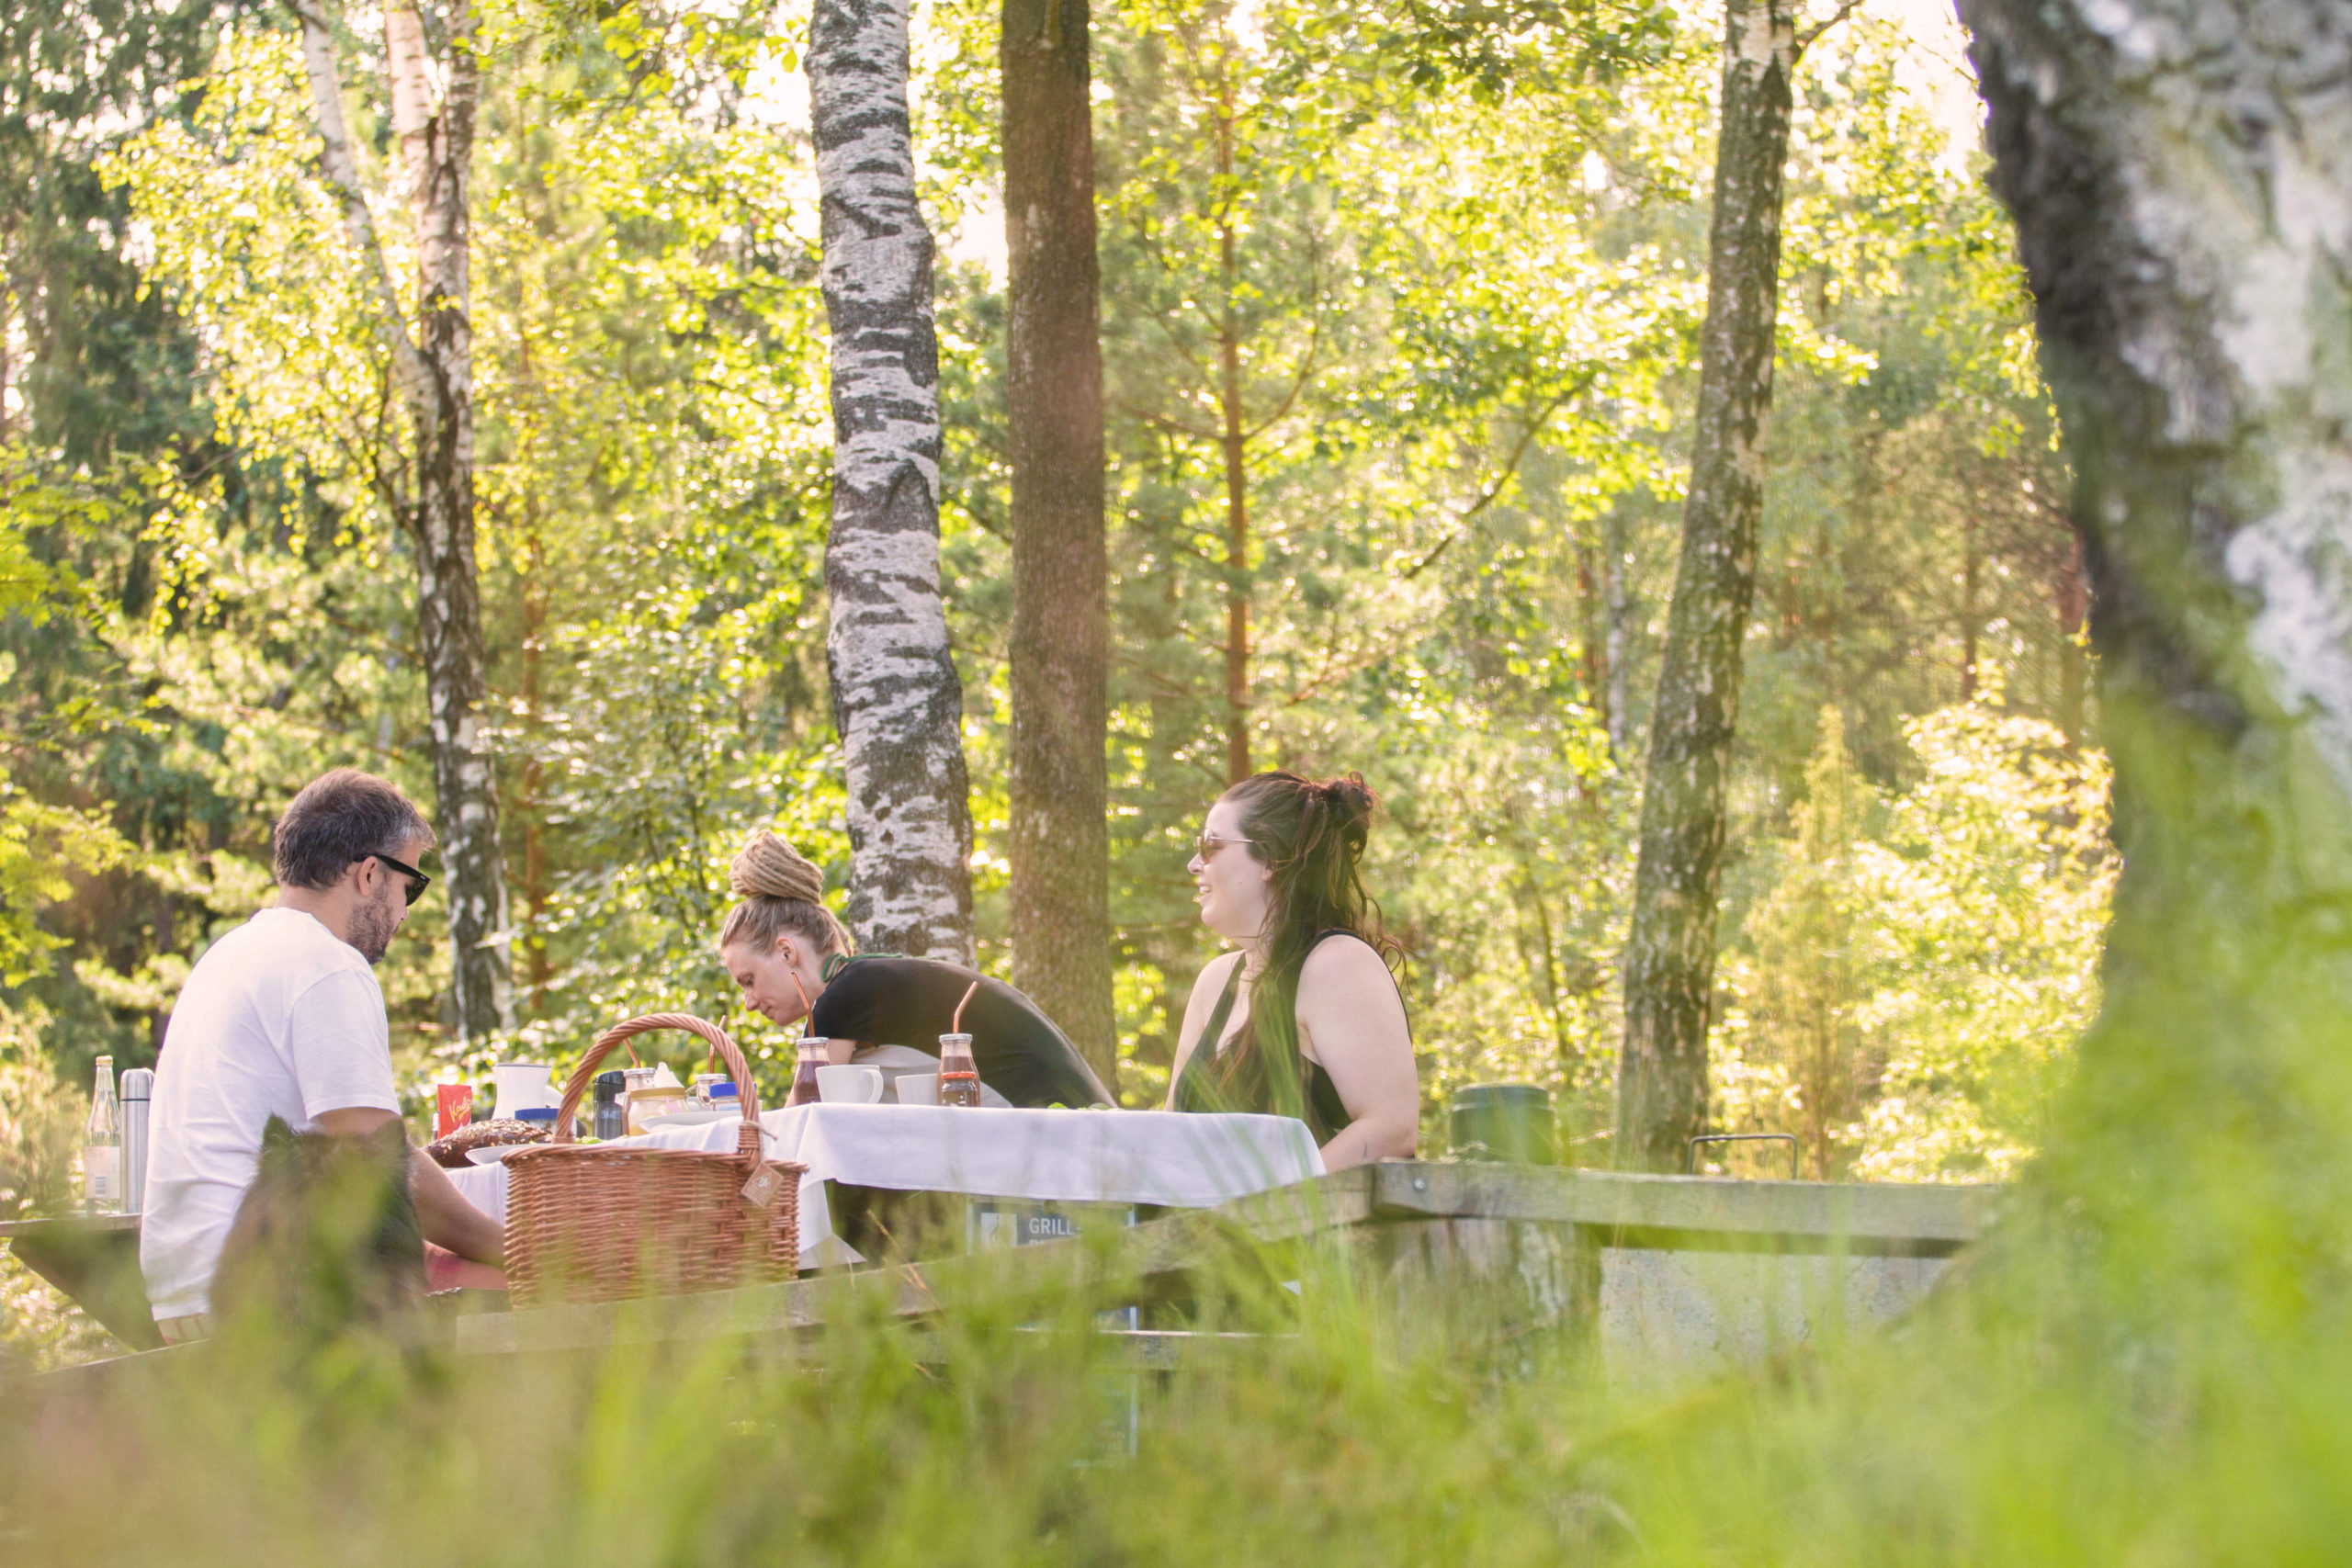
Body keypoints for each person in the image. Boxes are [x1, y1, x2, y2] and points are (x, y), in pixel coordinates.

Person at [141, 769, 504, 1341]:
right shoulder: (326, 965)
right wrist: (510, 1249)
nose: (406, 912)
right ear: (369, 874)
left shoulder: (229, 955)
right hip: (272, 1294)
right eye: (411, 886)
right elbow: (378, 1164)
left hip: (184, 1291)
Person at [718, 829, 1112, 1108]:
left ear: (786, 952)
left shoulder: (841, 996)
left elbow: (802, 1123)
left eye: (748, 981)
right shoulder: (865, 980)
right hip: (1079, 1114)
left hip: (1059, 1122)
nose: (750, 1003)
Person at [1165, 771, 1419, 1169]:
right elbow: (1171, 1135)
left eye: (1210, 845)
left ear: (1268, 858)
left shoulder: (1337, 965)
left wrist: (1260, 1210)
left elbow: (1391, 1129)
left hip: (1314, 1230)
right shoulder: (1214, 983)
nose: (1194, 863)